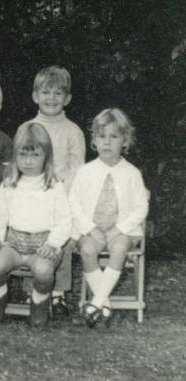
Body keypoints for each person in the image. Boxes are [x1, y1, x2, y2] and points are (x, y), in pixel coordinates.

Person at [0, 123, 72, 327]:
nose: (29, 161)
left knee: (43, 272)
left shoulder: (54, 185)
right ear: (15, 156)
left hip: (43, 245)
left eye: (35, 155)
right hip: (14, 243)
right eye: (23, 155)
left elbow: (64, 220)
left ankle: (38, 302)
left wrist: (53, 244)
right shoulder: (9, 184)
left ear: (46, 157)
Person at [70, 108, 148, 328]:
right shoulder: (86, 171)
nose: (107, 142)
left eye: (114, 136)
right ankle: (104, 304)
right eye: (102, 136)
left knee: (120, 249)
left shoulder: (132, 173)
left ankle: (94, 303)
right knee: (87, 250)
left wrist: (119, 229)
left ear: (125, 140)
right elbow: (73, 203)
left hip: (121, 231)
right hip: (92, 229)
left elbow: (141, 207)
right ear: (94, 139)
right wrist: (89, 228)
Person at [21, 65, 85, 316]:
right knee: (31, 240)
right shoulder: (27, 128)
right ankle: (32, 291)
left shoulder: (73, 131)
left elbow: (77, 168)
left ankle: (58, 294)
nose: (51, 98)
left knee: (61, 244)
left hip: (62, 199)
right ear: (36, 96)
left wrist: (57, 189)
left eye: (58, 93)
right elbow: (21, 161)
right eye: (46, 92)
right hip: (32, 197)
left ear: (67, 99)